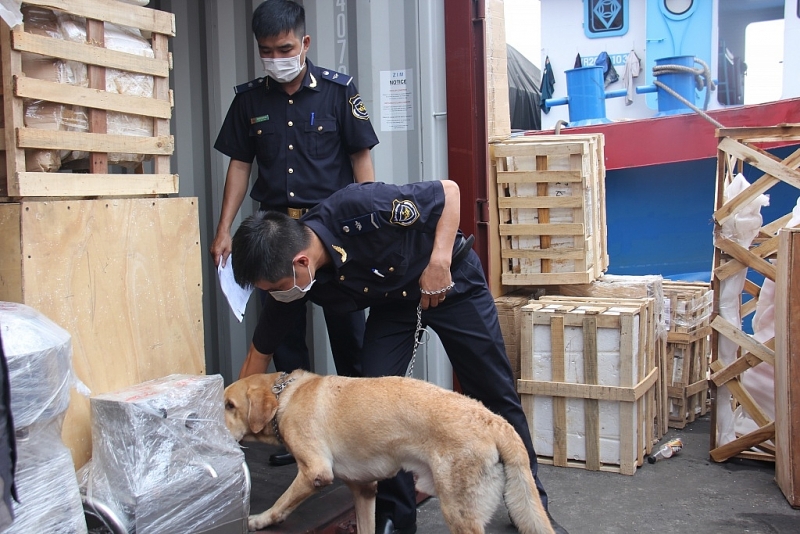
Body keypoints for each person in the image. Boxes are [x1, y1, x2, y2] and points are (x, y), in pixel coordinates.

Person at [231, 180, 569, 534]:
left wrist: (438, 260)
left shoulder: (357, 208)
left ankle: (533, 507)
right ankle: (396, 516)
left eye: (273, 290)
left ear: (300, 261)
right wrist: (233, 417)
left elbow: (451, 192)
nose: (274, 297)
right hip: (396, 306)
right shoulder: (294, 282)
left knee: (494, 390)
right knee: (375, 407)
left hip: (451, 283)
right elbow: (259, 353)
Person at [211, 0, 380, 466]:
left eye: (285, 47)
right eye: (266, 51)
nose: (276, 57)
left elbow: (361, 159)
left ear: (304, 43)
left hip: (330, 238)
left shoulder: (338, 92)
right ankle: (292, 436)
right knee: (284, 344)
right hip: (275, 239)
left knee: (349, 339)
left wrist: (368, 224)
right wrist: (224, 228)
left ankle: (360, 435)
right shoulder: (249, 100)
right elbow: (240, 166)